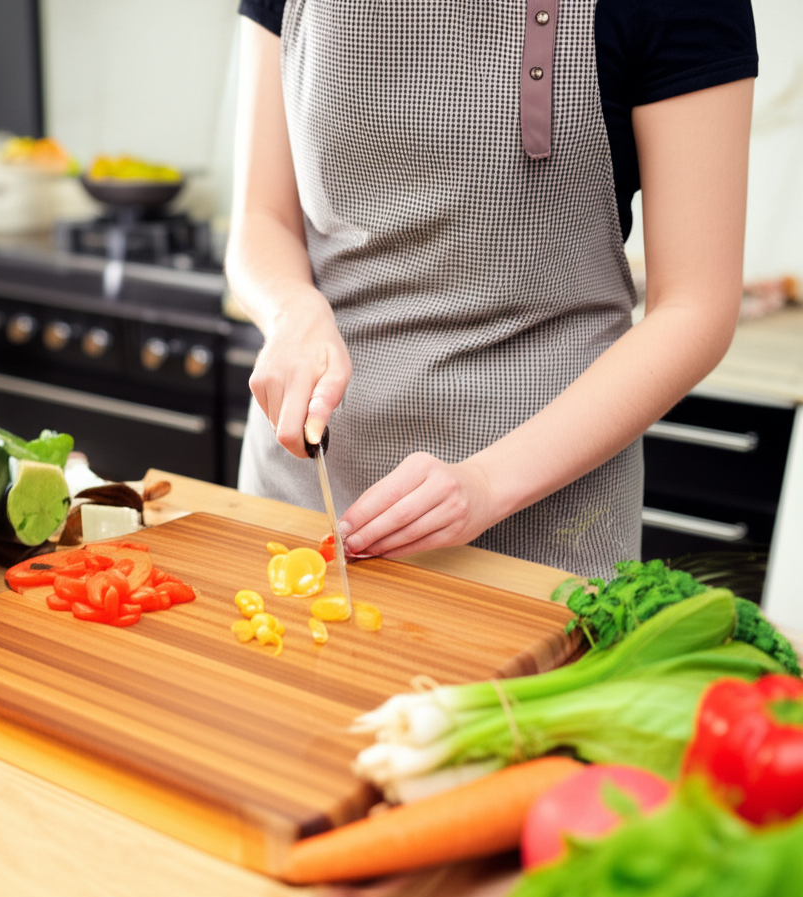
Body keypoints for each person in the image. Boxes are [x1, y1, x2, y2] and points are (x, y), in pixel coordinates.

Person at [225, 0, 756, 578]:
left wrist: (486, 483)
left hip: (540, 530)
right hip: (301, 501)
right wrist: (291, 311)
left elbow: (695, 306)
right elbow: (262, 217)